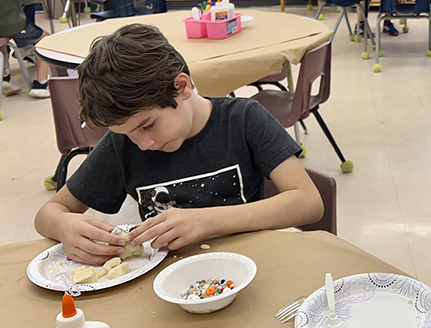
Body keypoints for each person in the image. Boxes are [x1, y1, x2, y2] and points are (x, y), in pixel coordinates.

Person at [34, 24, 324, 265]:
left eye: (148, 125)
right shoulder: (122, 144)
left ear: (182, 87)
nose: (143, 144)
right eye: (128, 133)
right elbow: (49, 213)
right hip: (167, 281)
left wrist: (207, 221)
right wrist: (64, 226)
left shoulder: (244, 119)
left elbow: (308, 202)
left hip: (249, 266)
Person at [0, 0, 51, 98]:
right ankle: (41, 84)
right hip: (12, 24)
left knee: (2, 44)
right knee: (45, 39)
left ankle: (5, 78)